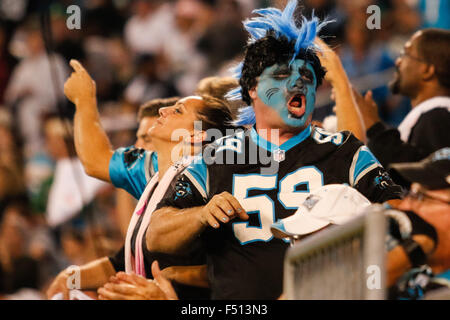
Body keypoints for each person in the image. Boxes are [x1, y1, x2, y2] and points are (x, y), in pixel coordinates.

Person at [146, 0, 402, 299]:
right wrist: (202, 214)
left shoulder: (345, 151)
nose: (298, 82)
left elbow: (399, 216)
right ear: (252, 88)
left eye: (307, 77)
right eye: (281, 75)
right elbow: (157, 234)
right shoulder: (215, 156)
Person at [46, 60, 233, 300]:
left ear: (197, 134)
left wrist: (171, 279)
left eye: (177, 110)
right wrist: (70, 278)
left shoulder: (210, 179)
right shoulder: (157, 175)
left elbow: (233, 264)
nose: (164, 111)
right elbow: (123, 261)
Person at [346, 29, 450, 174]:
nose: (398, 61)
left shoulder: (437, 117)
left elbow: (426, 176)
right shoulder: (433, 116)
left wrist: (374, 128)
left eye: (406, 54)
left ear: (427, 70)